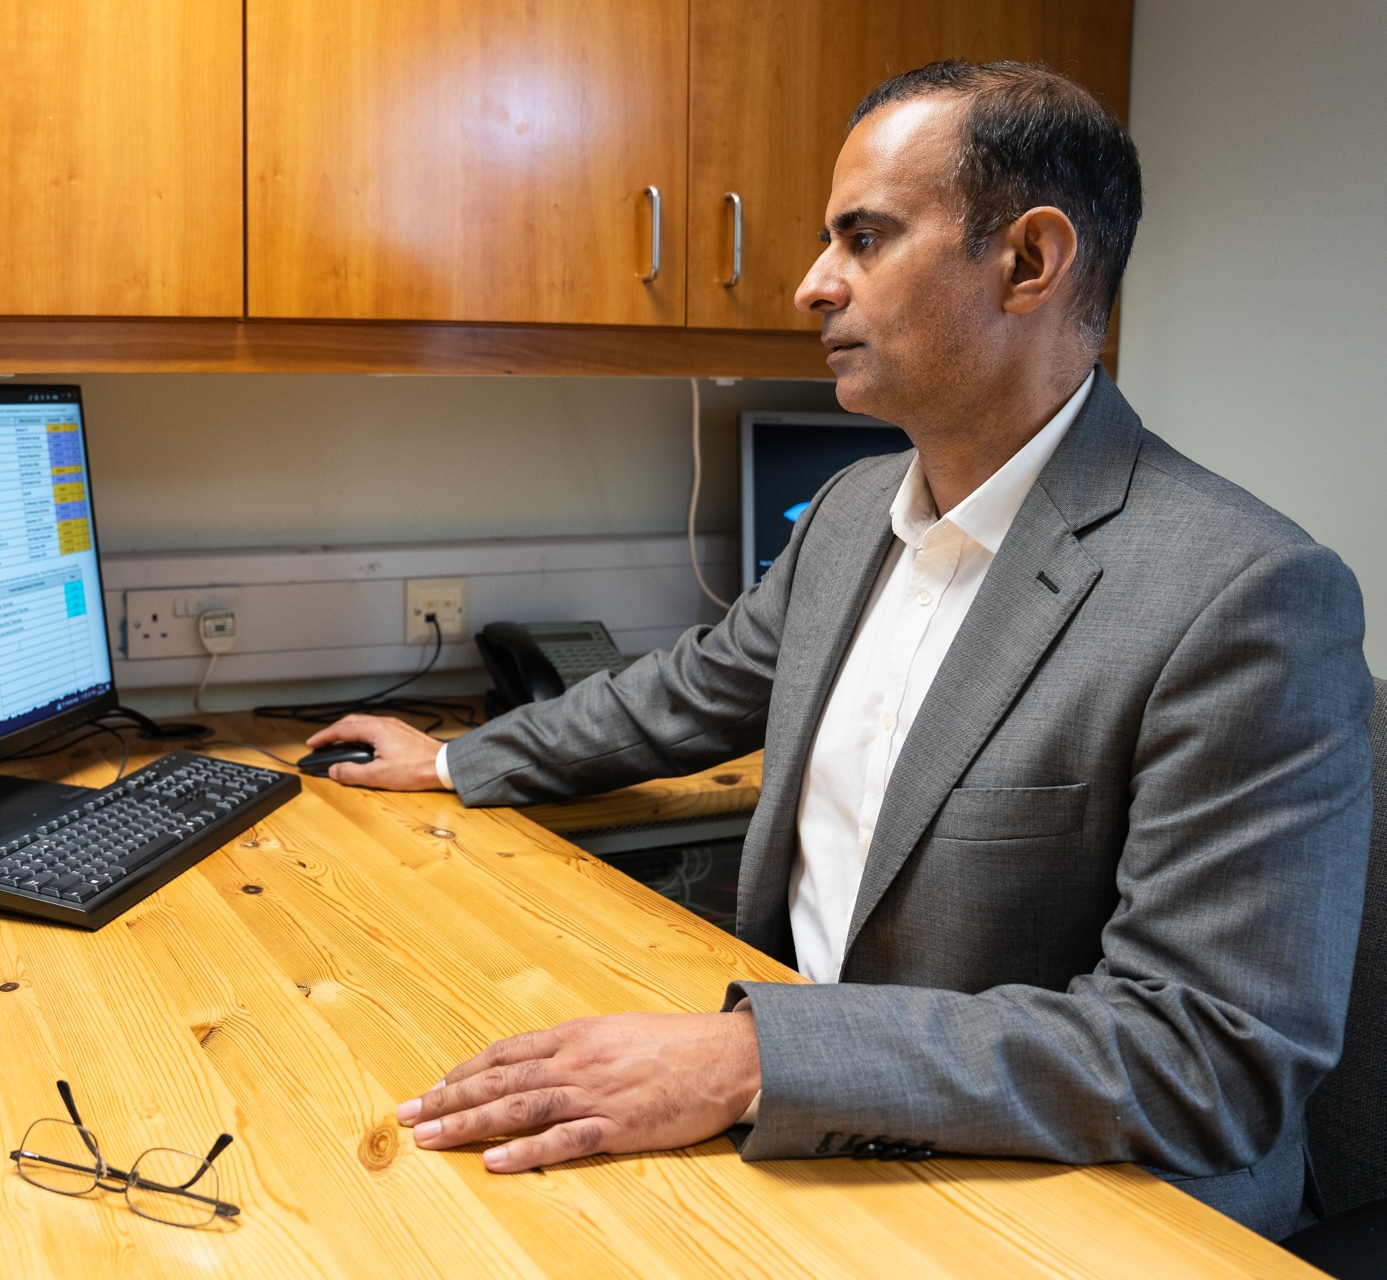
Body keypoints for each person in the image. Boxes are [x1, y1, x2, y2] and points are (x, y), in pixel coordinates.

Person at [304, 60, 1372, 1240]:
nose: (813, 284)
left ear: (1028, 261)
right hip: (805, 1124)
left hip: (1063, 1200)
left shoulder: (1248, 597)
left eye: (864, 239)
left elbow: (1206, 1055)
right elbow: (689, 691)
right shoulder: (861, 508)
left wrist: (750, 1054)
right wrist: (457, 761)